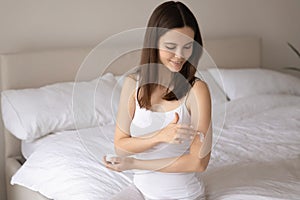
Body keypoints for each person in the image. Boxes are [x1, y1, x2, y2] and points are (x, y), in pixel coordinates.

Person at [104, 1, 212, 199]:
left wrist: (136, 164)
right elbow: (120, 145)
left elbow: (199, 162)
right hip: (140, 191)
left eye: (187, 46)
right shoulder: (132, 84)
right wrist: (160, 135)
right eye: (171, 46)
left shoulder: (196, 90)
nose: (180, 56)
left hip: (182, 194)